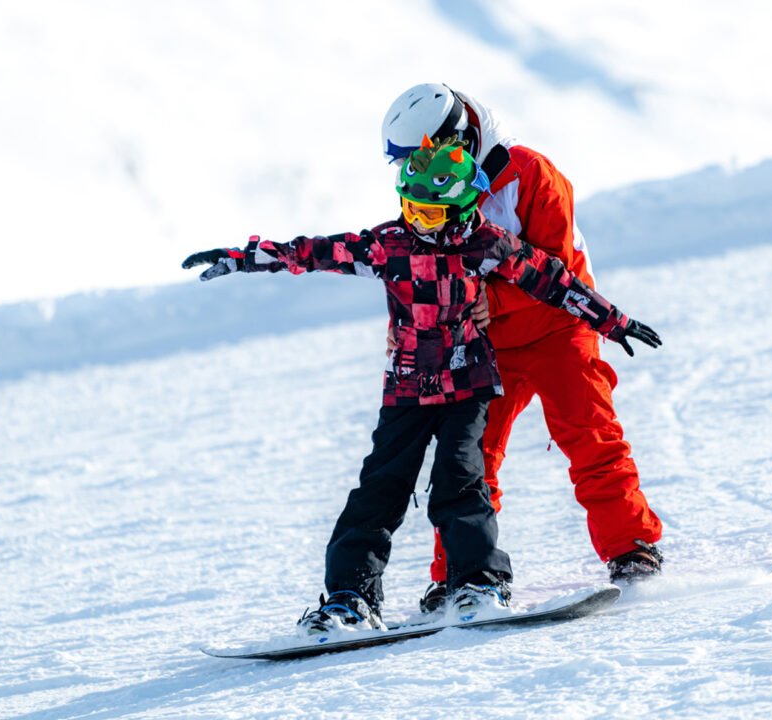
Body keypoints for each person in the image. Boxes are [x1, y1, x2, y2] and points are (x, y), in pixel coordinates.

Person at [182, 137, 661, 636]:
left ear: (461, 208)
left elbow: (553, 280)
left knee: (462, 482)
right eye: (410, 208)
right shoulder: (391, 244)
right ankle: (351, 597)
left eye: (430, 214)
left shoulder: (487, 244)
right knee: (378, 490)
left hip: (467, 387)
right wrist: (244, 258)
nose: (418, 223)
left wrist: (614, 322)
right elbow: (316, 252)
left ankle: (477, 584)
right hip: (408, 391)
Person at [382, 84, 666, 612]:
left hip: (559, 329)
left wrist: (491, 297)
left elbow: (554, 266)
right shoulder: (430, 189)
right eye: (412, 160)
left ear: (458, 136)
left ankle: (632, 548)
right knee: (467, 460)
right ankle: (462, 575)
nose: (424, 166)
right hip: (488, 346)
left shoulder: (531, 174)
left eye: (429, 152)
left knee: (590, 435)